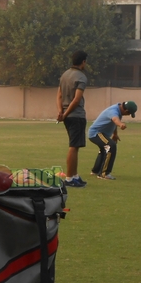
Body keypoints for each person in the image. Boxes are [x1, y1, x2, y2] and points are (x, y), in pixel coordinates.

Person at [56, 50, 89, 188]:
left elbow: (59, 95)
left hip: (67, 115)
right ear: (83, 62)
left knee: (75, 146)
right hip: (76, 116)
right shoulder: (81, 77)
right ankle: (69, 178)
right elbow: (76, 99)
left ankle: (75, 175)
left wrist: (61, 112)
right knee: (73, 147)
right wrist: (66, 113)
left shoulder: (65, 75)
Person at [88, 101, 137, 180]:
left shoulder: (118, 110)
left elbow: (113, 123)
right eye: (129, 114)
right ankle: (104, 173)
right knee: (111, 145)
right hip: (96, 133)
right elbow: (115, 119)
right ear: (126, 111)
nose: (128, 115)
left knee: (104, 149)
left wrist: (115, 134)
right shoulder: (113, 111)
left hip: (99, 133)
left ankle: (95, 171)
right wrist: (120, 124)